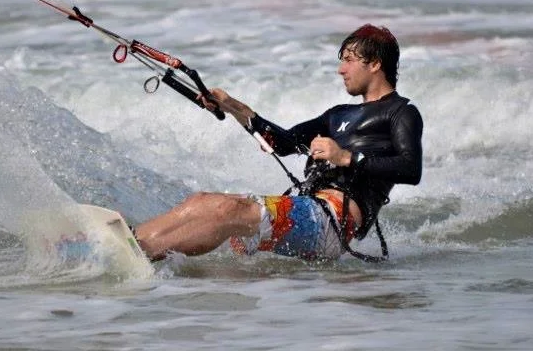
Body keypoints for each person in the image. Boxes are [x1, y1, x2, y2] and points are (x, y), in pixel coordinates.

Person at [134, 24, 423, 262]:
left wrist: (346, 157)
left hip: (334, 223)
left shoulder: (401, 112)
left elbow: (411, 169)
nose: (341, 69)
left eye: (348, 60)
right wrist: (230, 104)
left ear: (374, 64)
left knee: (227, 212)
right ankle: (132, 242)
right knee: (203, 203)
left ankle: (140, 254)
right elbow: (283, 142)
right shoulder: (338, 115)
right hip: (306, 208)